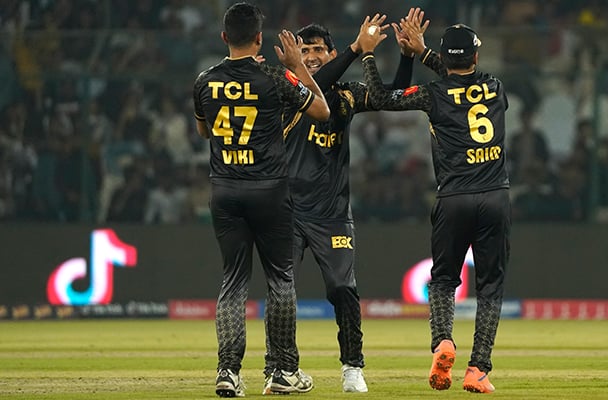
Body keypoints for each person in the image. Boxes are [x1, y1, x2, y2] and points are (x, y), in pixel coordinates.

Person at [262, 11, 425, 394]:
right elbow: (314, 84)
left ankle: (352, 367)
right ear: (295, 57)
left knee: (341, 288)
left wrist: (406, 56)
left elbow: (392, 97)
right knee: (281, 291)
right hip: (285, 210)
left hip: (332, 213)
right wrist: (355, 48)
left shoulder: (347, 94)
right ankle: (280, 368)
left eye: (319, 49)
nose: (313, 55)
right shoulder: (287, 87)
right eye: (305, 50)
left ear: (330, 52)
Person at [357, 11, 510, 393]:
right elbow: (461, 79)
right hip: (494, 197)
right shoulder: (495, 87)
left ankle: (443, 341)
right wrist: (425, 53)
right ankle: (479, 369)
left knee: (443, 281)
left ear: (446, 57)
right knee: (490, 286)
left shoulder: (433, 94)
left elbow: (380, 98)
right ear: (476, 56)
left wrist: (370, 55)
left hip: (453, 198)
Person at [191, 2, 330, 398]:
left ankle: (228, 372)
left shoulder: (204, 81)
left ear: (223, 37)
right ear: (259, 39)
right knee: (281, 280)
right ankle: (284, 371)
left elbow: (203, 132)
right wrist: (298, 67)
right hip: (269, 191)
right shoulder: (274, 77)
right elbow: (320, 111)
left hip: (225, 189)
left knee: (232, 281)